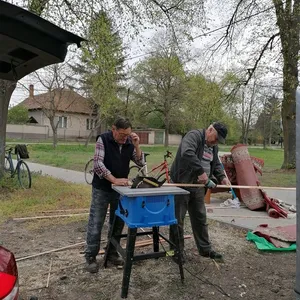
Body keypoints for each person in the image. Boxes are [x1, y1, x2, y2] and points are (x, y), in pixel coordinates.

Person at [85, 117, 143, 273]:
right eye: (122, 135)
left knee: (117, 223)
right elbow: (97, 164)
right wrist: (114, 180)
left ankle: (111, 253)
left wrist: (137, 145)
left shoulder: (129, 142)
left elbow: (140, 162)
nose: (125, 138)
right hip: (102, 189)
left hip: (120, 192)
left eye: (127, 135)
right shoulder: (103, 140)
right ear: (114, 129)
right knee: (96, 223)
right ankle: (90, 257)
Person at [169, 122, 230, 263]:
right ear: (209, 130)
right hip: (181, 184)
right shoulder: (194, 136)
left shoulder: (213, 147)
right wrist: (201, 173)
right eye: (215, 138)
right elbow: (187, 153)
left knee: (200, 218)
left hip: (197, 187)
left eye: (218, 141)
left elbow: (216, 164)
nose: (215, 142)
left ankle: (205, 249)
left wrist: (222, 177)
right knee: (178, 219)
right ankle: (176, 251)